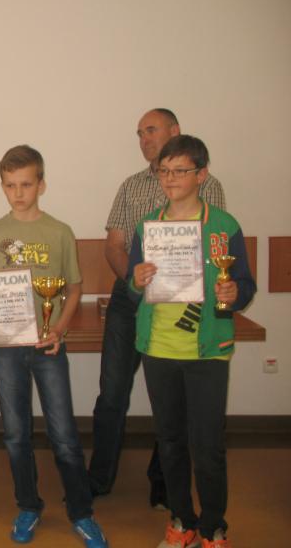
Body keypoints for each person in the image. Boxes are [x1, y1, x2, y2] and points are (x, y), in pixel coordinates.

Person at [0, 146, 108, 547]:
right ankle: (28, 505)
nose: (18, 193)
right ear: (2, 186)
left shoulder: (59, 232)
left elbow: (74, 288)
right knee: (15, 434)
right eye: (10, 185)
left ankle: (81, 512)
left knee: (64, 435)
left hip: (48, 345)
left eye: (26, 184)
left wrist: (58, 328)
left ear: (41, 184)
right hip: (6, 348)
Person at [88, 108, 226, 508]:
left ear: (174, 131)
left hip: (184, 303)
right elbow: (114, 245)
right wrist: (137, 284)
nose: (144, 139)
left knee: (173, 398)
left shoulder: (208, 184)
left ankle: (163, 481)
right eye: (139, 133)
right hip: (131, 298)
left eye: (151, 130)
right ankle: (98, 479)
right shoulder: (131, 186)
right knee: (112, 392)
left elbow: (213, 242)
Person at [128, 135, 255, 548]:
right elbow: (131, 288)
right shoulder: (147, 226)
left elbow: (245, 285)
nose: (170, 179)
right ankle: (182, 521)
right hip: (158, 349)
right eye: (164, 171)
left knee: (208, 446)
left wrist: (234, 294)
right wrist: (136, 280)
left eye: (180, 171)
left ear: (201, 175)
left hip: (207, 352)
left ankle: (213, 527)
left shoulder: (224, 226)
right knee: (170, 443)